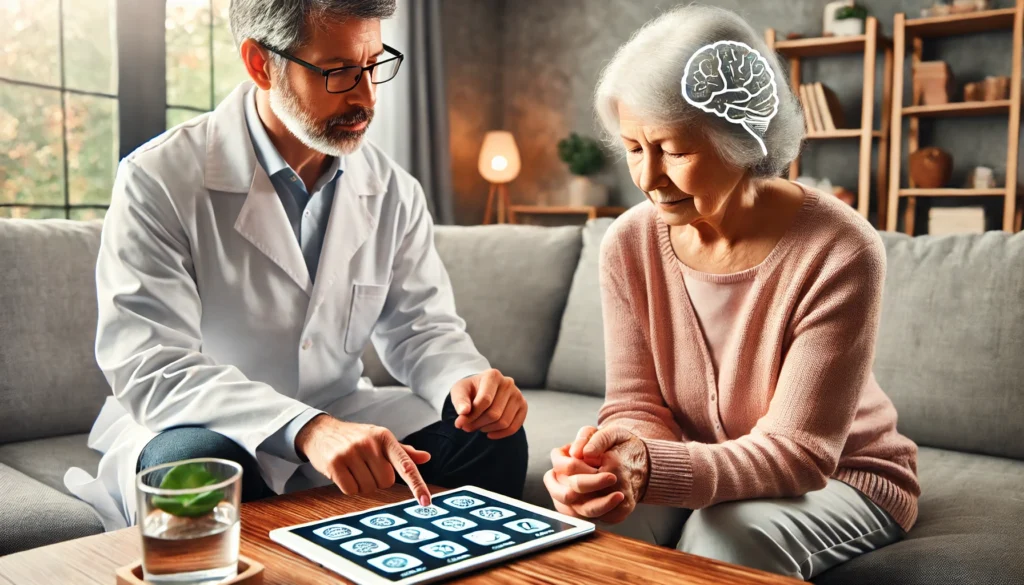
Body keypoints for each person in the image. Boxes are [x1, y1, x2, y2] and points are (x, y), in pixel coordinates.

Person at [65, 0, 527, 531]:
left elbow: (421, 328)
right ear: (261, 64)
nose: (366, 95)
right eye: (337, 72)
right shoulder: (158, 178)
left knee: (490, 439)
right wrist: (307, 429)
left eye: (374, 64)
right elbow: (152, 366)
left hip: (347, 410)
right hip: (204, 421)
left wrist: (464, 381)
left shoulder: (394, 189)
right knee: (191, 468)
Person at [543, 6, 919, 581]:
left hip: (845, 474)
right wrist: (613, 465)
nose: (647, 178)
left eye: (674, 150)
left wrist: (653, 469)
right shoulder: (627, 243)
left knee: (722, 538)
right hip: (699, 462)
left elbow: (800, 452)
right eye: (634, 148)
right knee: (591, 529)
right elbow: (636, 404)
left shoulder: (841, 249)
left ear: (742, 139)